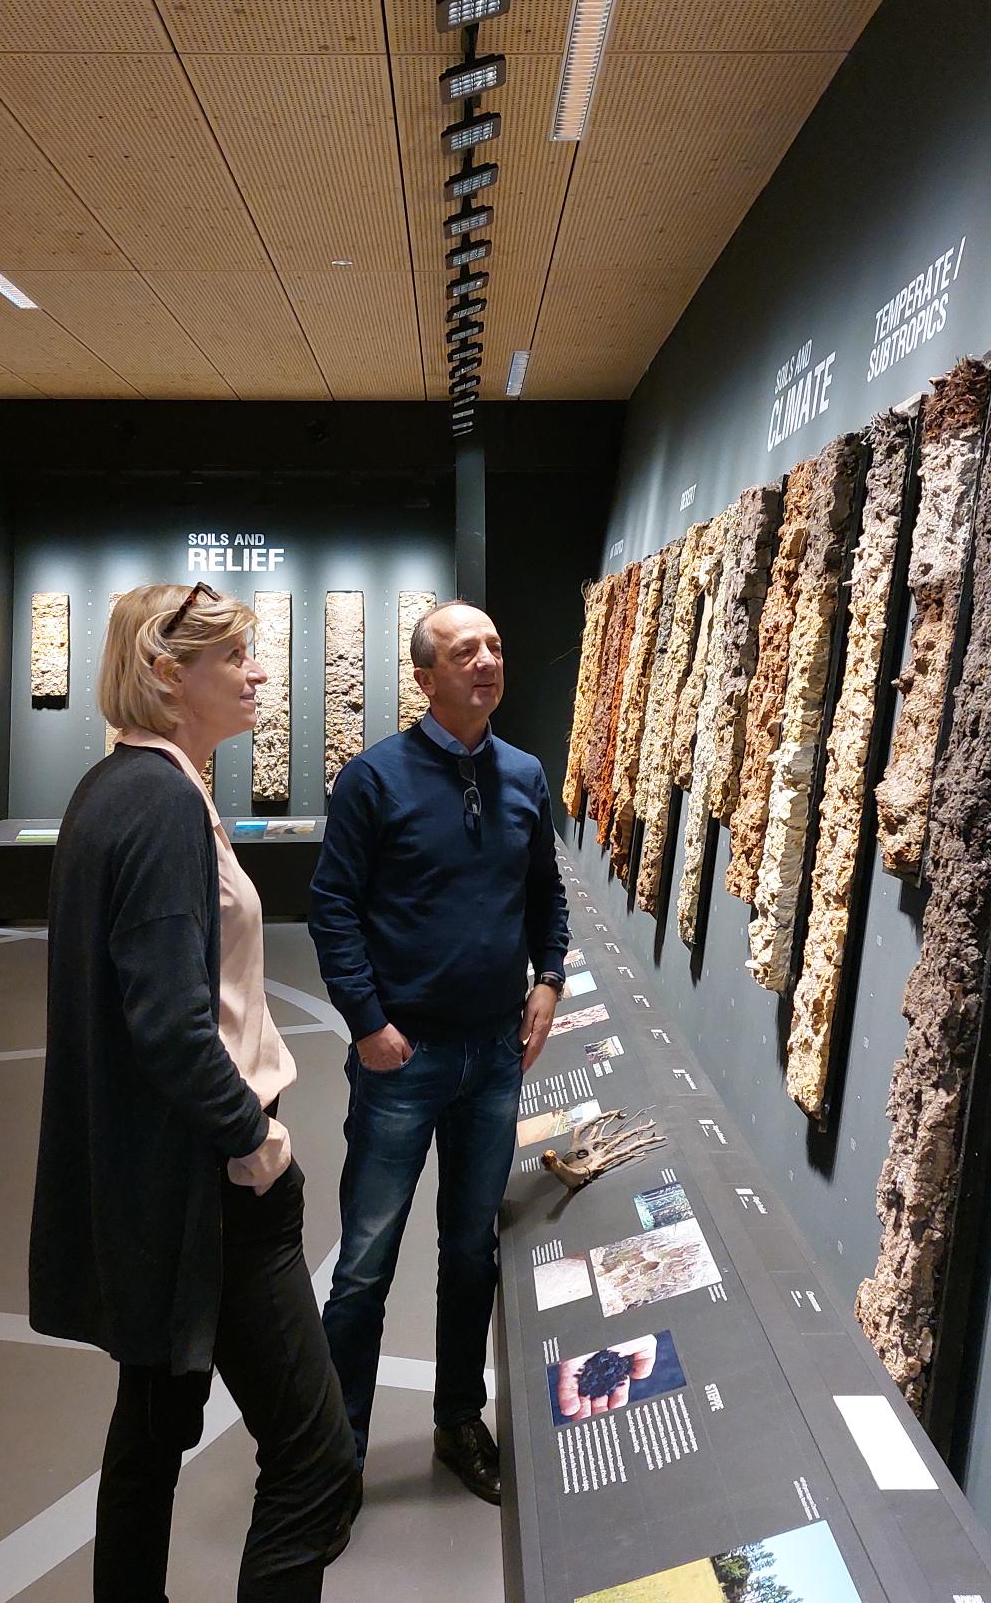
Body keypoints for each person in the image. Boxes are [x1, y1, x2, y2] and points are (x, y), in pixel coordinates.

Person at [30, 582, 355, 1602]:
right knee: (315, 1463)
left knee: (153, 1426)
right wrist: (254, 1144)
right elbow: (171, 1024)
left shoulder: (112, 788)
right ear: (168, 674)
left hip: (158, 1177)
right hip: (211, 1182)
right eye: (234, 657)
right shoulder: (163, 803)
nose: (257, 673)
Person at [309, 598, 570, 1507]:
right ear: (426, 678)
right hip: (402, 1060)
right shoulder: (373, 780)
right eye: (466, 652)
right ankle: (335, 1455)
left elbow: (545, 893)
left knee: (470, 1254)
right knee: (364, 1264)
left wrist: (549, 980)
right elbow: (332, 908)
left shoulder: (523, 775)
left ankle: (460, 1421)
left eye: (494, 645)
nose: (487, 661)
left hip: (494, 1057)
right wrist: (366, 1022)